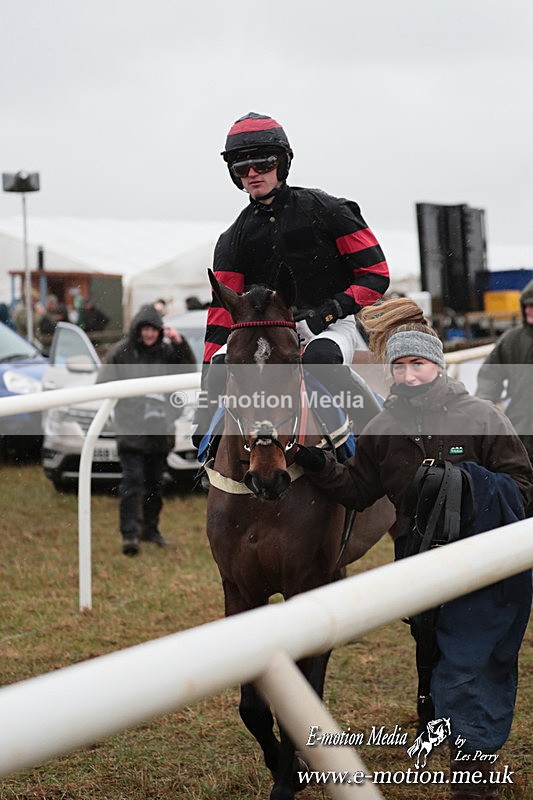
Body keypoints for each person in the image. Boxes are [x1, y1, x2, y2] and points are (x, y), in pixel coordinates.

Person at [294, 297, 533, 799]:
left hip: (486, 562)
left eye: (417, 364)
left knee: (473, 662)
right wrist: (319, 467)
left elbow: (522, 485)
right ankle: (442, 718)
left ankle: (474, 773)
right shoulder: (382, 429)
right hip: (421, 564)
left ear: (438, 365)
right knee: (438, 656)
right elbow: (359, 490)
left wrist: (465, 484)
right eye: (398, 366)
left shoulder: (482, 416)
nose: (408, 374)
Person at [192, 111, 390, 448]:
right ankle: (213, 460)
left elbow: (376, 275)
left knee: (319, 361)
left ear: (282, 163)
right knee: (221, 367)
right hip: (263, 332)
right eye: (242, 168)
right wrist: (206, 388)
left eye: (263, 164)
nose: (253, 175)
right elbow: (222, 315)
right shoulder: (232, 239)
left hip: (332, 325)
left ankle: (381, 441)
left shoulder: (329, 211)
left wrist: (323, 314)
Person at [97, 304, 196, 556]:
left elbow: (188, 370)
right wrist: (130, 406)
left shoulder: (167, 351)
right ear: (138, 330)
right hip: (131, 431)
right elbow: (102, 385)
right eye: (145, 329)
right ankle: (129, 536)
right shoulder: (121, 352)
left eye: (154, 330)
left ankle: (151, 531)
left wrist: (180, 342)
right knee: (132, 484)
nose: (149, 334)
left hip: (160, 432)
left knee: (155, 485)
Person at [475, 278, 533, 478]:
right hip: (521, 426)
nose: (529, 310)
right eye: (526, 305)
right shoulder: (511, 340)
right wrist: (483, 408)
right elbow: (490, 375)